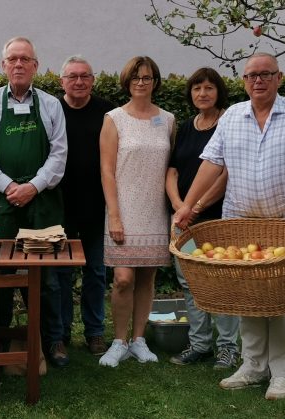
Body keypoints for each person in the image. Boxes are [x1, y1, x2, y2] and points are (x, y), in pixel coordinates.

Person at [174, 52, 285, 400]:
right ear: (244, 82)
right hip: (242, 220)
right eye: (251, 76)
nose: (258, 80)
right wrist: (188, 206)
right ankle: (253, 365)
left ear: (279, 78)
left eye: (265, 74)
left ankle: (281, 372)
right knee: (249, 296)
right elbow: (212, 163)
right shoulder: (232, 117)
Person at [0, 36, 68, 367]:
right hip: (1, 202)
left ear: (36, 66)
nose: (18, 64)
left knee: (47, 279)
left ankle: (51, 341)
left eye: (25, 59)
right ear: (3, 65)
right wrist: (10, 185)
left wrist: (34, 186)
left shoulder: (52, 105)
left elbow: (58, 154)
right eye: (12, 59)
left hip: (42, 202)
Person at [98, 56, 174, 368]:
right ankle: (119, 341)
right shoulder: (114, 118)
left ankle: (139, 340)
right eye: (135, 78)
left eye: (146, 77)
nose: (141, 82)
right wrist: (114, 215)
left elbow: (171, 168)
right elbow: (106, 169)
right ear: (127, 82)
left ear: (155, 81)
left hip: (155, 208)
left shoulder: (168, 120)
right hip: (123, 209)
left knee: (146, 277)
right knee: (123, 278)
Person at [166, 67, 240, 369]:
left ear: (218, 91)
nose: (202, 94)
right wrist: (178, 205)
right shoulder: (186, 127)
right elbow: (172, 171)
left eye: (209, 88)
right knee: (190, 283)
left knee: (222, 283)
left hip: (217, 218)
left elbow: (225, 174)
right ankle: (198, 344)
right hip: (183, 219)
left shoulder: (229, 123)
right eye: (197, 88)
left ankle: (227, 348)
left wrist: (194, 208)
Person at [54, 55, 114, 356]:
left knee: (96, 272)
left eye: (85, 76)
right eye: (73, 76)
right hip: (59, 205)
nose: (79, 82)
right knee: (61, 273)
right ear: (62, 81)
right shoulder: (52, 109)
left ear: (93, 80)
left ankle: (95, 333)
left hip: (96, 205)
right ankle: (61, 333)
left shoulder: (107, 113)